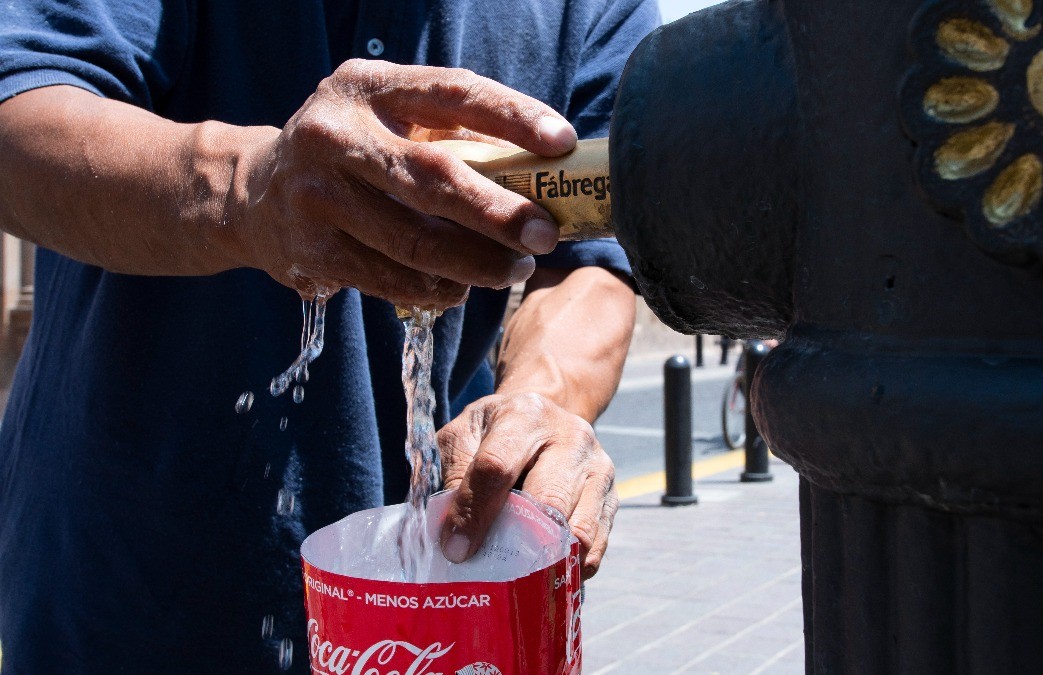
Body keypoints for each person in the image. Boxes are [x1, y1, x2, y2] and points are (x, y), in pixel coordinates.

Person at [0, 0, 658, 671]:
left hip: (434, 616)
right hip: (123, 585)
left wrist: (541, 402)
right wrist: (247, 187)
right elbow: (17, 117)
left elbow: (596, 259)